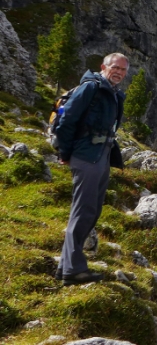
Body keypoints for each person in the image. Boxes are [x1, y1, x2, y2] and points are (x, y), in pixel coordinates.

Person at [55, 53, 128, 285]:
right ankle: (73, 270)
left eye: (123, 70)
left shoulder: (114, 94)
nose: (118, 72)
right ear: (103, 67)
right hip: (87, 156)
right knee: (83, 211)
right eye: (115, 67)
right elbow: (67, 122)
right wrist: (65, 154)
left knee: (92, 210)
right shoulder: (91, 88)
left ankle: (65, 266)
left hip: (101, 157)